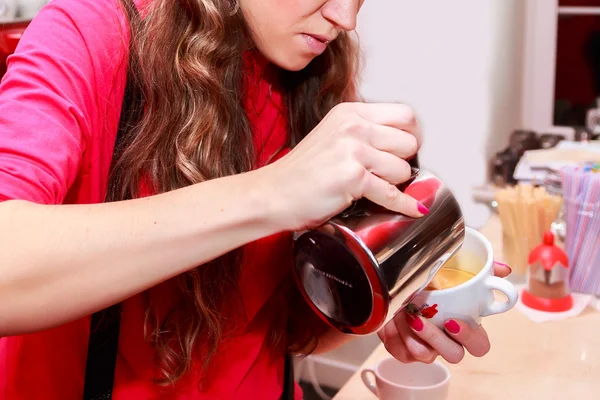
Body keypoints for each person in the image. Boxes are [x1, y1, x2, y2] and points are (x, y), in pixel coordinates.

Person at [0, 0, 511, 398]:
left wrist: (371, 298)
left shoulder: (315, 73)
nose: (346, 18)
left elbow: (277, 330)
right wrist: (273, 191)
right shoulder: (90, 32)